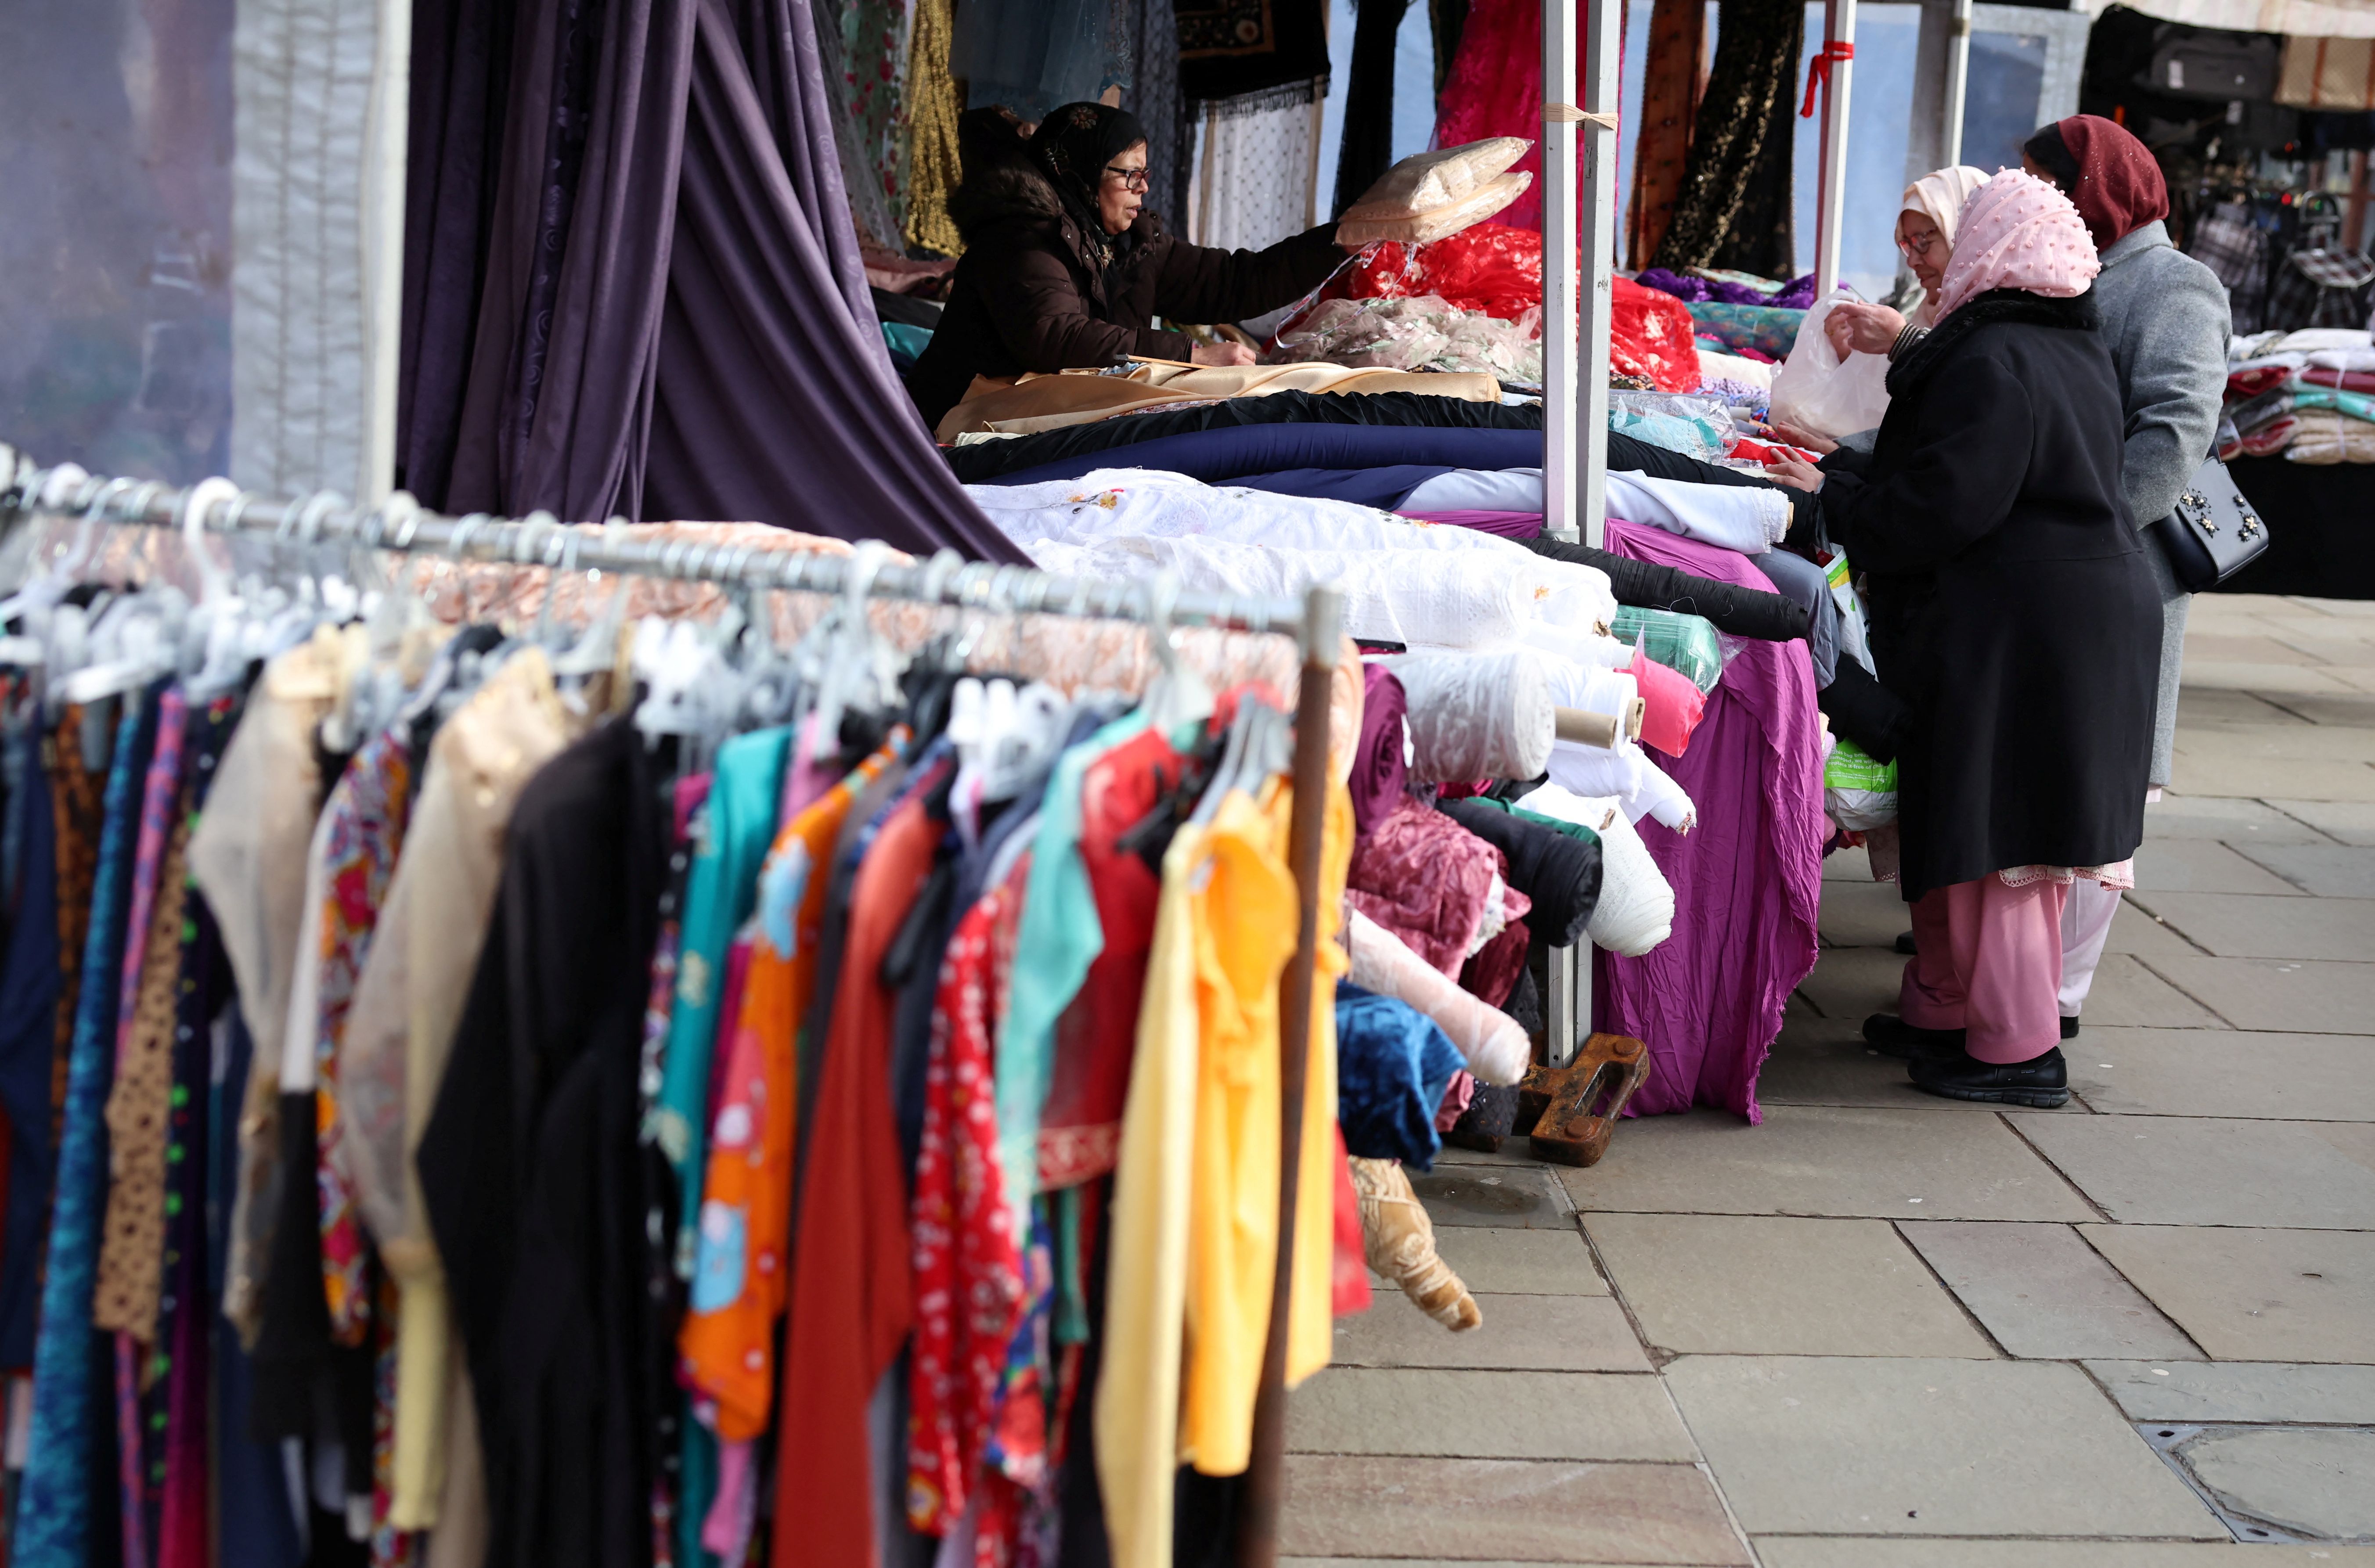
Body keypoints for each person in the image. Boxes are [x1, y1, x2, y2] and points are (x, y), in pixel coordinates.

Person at [1769, 172, 2161, 1108]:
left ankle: (2017, 1048)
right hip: (2035, 621)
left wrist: (1830, 495)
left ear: (1993, 247)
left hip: (2032, 630)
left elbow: (1944, 506)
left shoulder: (2000, 359)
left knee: (2005, 840)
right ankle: (1947, 1011)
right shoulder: (2054, 347)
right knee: (1961, 821)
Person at [1828, 121, 2229, 1036]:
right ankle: (1971, 1005)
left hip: (2079, 583)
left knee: (2045, 824)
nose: (2035, 194)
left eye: (2050, 179)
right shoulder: (2037, 308)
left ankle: (2036, 1016)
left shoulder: (2161, 288)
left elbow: (2168, 438)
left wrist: (2076, 541)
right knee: (2014, 813)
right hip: (2037, 584)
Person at [906, 103, 1353, 433]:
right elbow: (1054, 334)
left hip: (1037, 421)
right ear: (1082, 171)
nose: (1144, 188)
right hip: (954, 428)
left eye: (1145, 173)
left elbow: (1235, 282)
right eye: (1130, 175)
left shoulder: (1129, 241)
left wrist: (1340, 240)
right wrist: (1190, 356)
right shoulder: (1021, 234)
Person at [1766, 165, 1989, 456]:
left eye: (1923, 242)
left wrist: (1899, 341)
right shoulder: (1935, 303)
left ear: (1964, 232)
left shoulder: (1993, 317)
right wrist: (1853, 355)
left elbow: (1956, 396)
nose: (1912, 262)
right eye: (1907, 246)